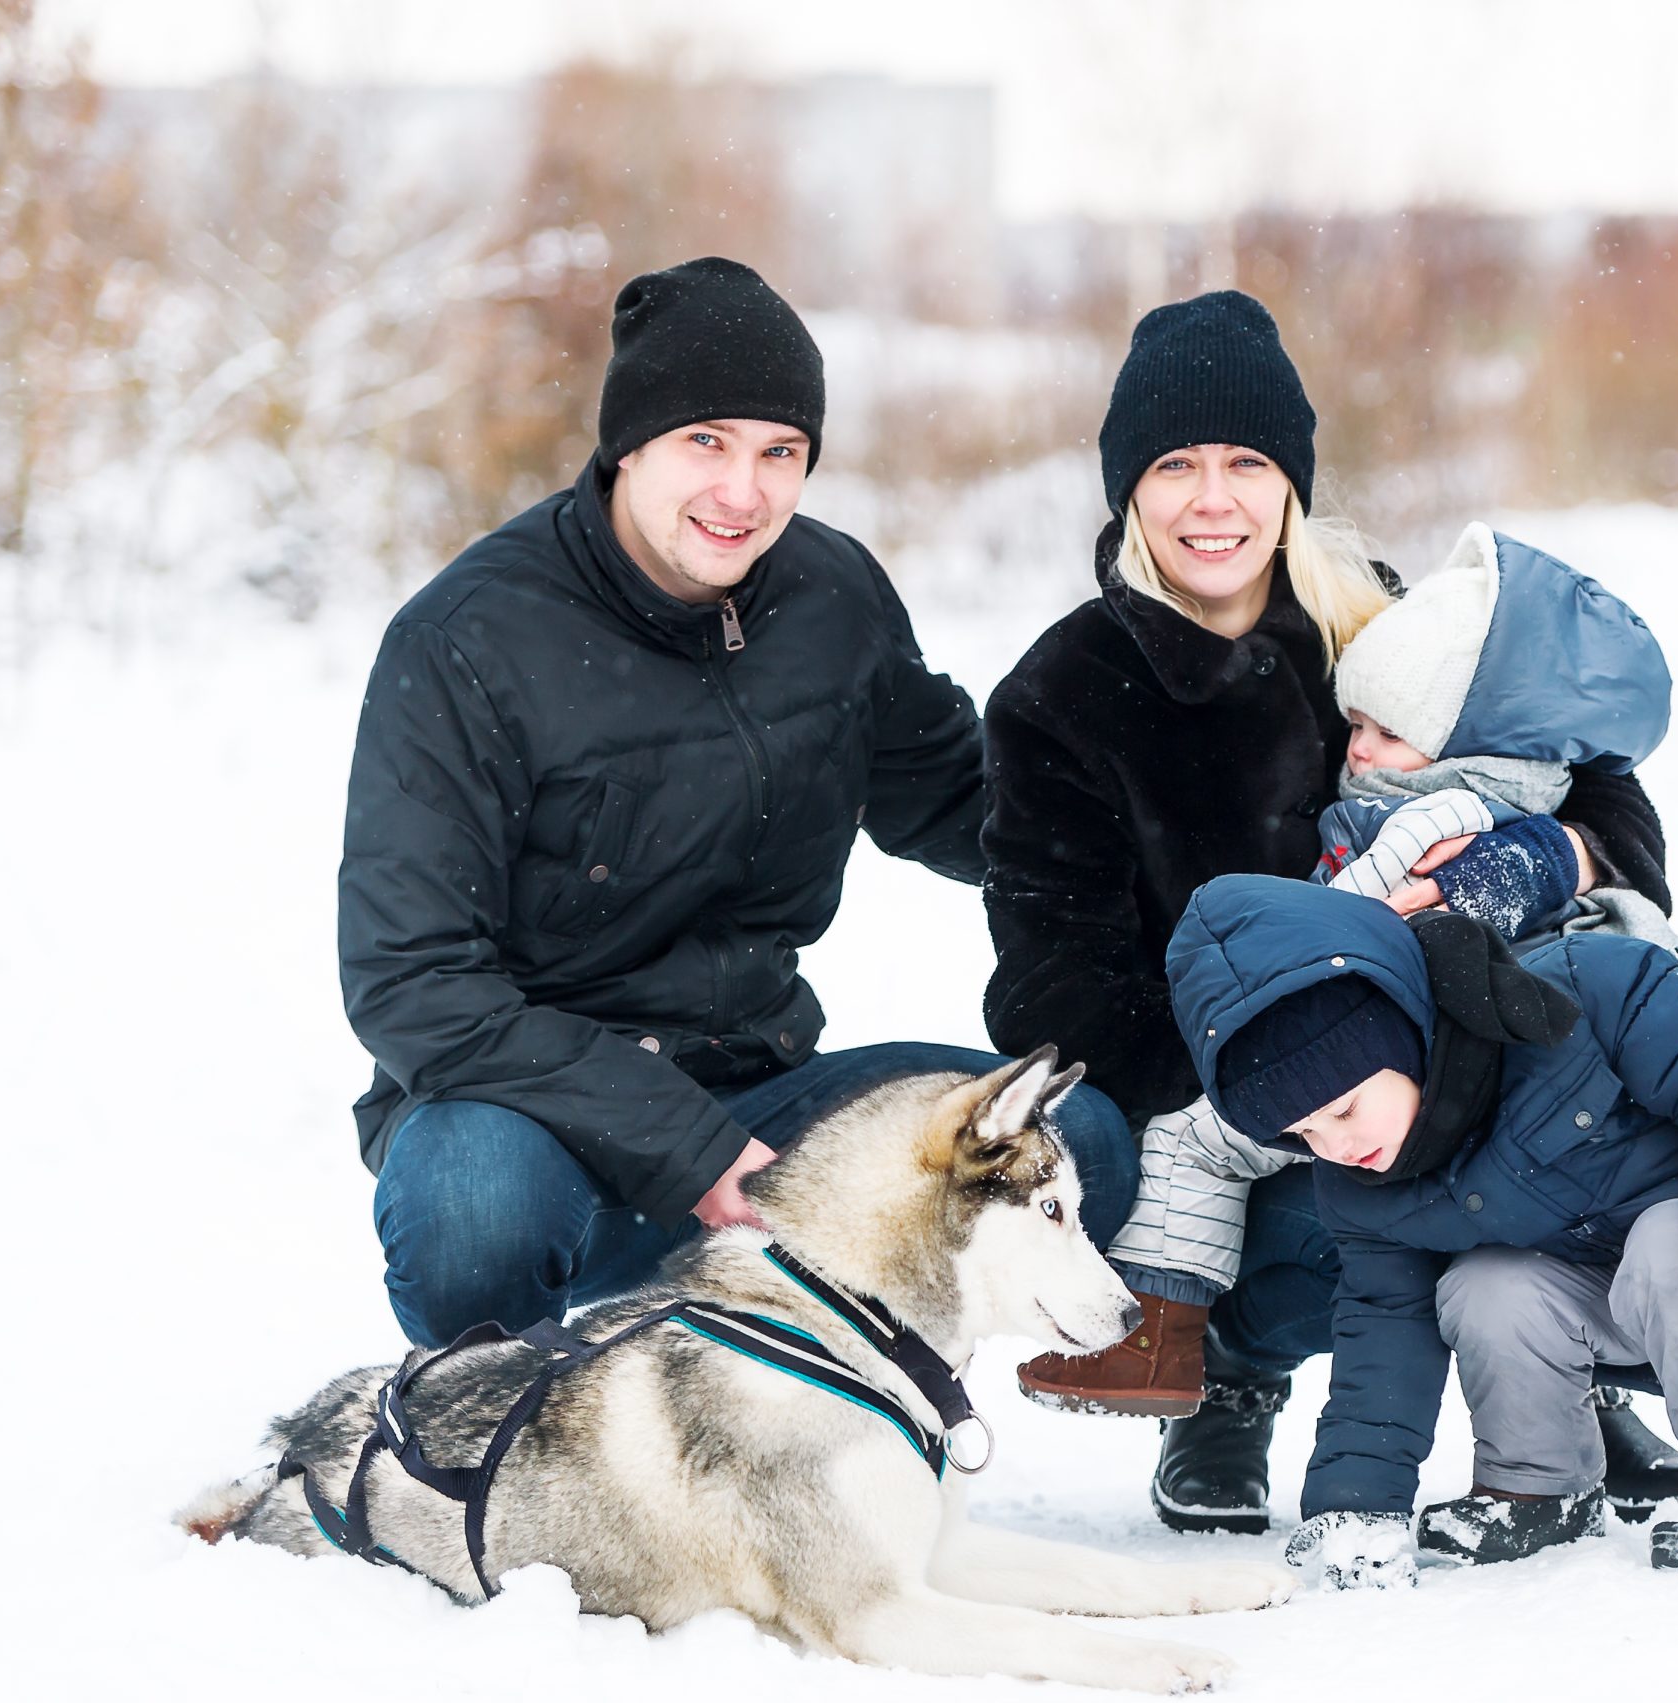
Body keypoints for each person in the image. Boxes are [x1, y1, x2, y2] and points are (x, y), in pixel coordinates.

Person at [981, 289, 1678, 1534]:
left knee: (1586, 1101)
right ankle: (1231, 1382)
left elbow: (1597, 791)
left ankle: (1568, 1366)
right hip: (1222, 1086)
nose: (1214, 500)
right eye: (1176, 466)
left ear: (1291, 482)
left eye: (1247, 463)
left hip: (1461, 1028)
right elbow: (1054, 987)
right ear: (1126, 490)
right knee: (1328, 1214)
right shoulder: (1061, 693)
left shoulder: (1387, 622)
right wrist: (1280, 1064)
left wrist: (1548, 858)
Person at [340, 256, 1133, 1349]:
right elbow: (413, 979)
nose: (742, 492)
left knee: (1076, 1130)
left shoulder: (831, 598)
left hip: (761, 1099)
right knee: (475, 1211)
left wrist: (1174, 815)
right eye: (704, 442)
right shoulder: (467, 640)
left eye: (780, 453)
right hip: (524, 1112)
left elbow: (974, 805)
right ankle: (497, 1417)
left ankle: (844, 1394)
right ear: (629, 444)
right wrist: (682, 1146)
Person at [1164, 873, 1678, 1582]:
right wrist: (1356, 1506)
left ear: (1399, 1038)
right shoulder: (1362, 1185)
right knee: (1486, 1285)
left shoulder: (1582, 987)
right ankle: (1542, 1489)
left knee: (1670, 1244)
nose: (1334, 1144)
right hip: (1573, 1281)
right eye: (1303, 1131)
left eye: (1347, 1108)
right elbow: (1382, 1327)